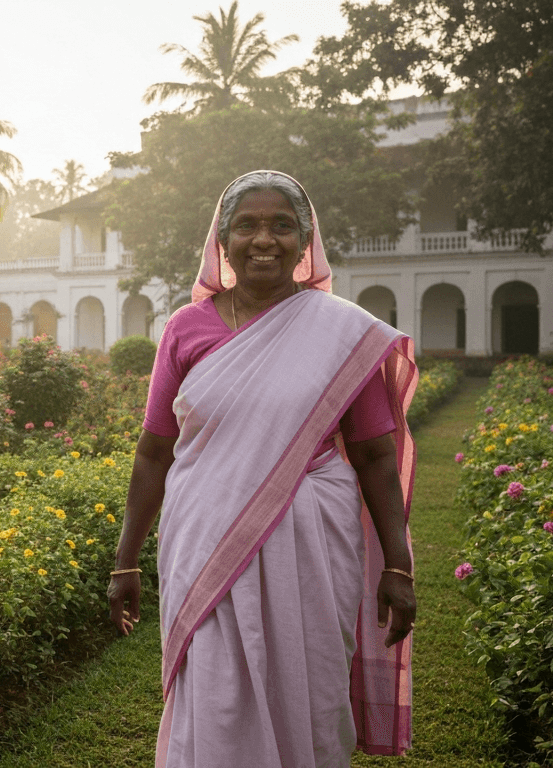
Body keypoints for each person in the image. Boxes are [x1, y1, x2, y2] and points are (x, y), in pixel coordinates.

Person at [107, 171, 418, 767]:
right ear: (221, 242)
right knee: (214, 687)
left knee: (308, 685)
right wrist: (126, 558)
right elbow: (153, 451)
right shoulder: (186, 328)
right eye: (246, 225)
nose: (263, 239)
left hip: (311, 544)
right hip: (203, 538)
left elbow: (377, 456)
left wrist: (399, 566)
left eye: (282, 225)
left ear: (306, 242)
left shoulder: (340, 333)